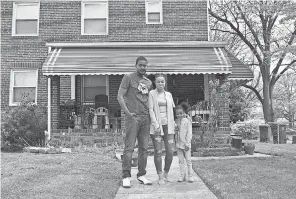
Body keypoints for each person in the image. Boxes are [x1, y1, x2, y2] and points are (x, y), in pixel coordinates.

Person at [117, 56, 153, 188]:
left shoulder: (149, 82)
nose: (143, 67)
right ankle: (126, 176)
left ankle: (142, 175)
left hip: (146, 118)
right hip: (133, 117)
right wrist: (127, 113)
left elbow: (150, 101)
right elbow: (120, 96)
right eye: (141, 65)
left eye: (145, 65)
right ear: (136, 65)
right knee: (129, 148)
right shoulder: (128, 78)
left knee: (144, 149)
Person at [148, 74, 175, 185]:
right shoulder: (151, 94)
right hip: (157, 127)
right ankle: (159, 176)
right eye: (158, 82)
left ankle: (166, 173)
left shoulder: (168, 95)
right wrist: (156, 125)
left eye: (162, 82)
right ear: (155, 82)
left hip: (168, 126)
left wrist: (174, 123)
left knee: (170, 152)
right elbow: (150, 109)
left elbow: (172, 110)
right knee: (158, 152)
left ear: (165, 83)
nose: (161, 84)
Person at [175, 102, 194, 183]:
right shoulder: (176, 121)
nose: (179, 115)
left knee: (188, 161)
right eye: (177, 114)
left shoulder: (187, 121)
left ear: (184, 112)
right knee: (181, 161)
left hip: (186, 145)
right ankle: (182, 175)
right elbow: (175, 132)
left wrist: (188, 143)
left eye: (181, 113)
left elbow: (189, 133)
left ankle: (190, 176)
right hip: (178, 145)